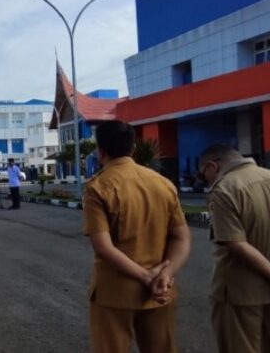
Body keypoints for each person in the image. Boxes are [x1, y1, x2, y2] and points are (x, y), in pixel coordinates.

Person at [82, 120, 191, 353]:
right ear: (133, 148)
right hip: (160, 290)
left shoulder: (98, 187)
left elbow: (103, 247)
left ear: (101, 151)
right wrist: (164, 275)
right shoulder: (163, 184)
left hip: (115, 293)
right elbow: (181, 237)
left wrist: (144, 277)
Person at [198, 144, 270, 353]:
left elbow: (236, 244)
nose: (206, 179)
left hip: (240, 292)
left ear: (212, 166)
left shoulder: (224, 189)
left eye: (204, 174)